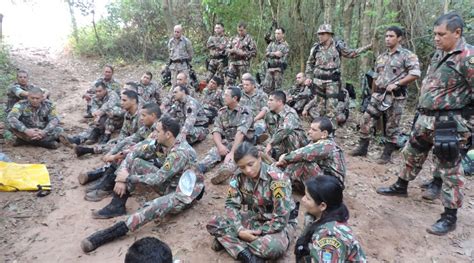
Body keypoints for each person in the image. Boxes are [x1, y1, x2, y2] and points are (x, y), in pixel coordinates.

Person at [376, 13, 473, 236]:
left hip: (450, 123)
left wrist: (468, 127)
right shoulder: (440, 53)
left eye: (441, 34)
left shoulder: (468, 58)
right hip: (425, 119)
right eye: (434, 34)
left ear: (457, 33)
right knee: (412, 153)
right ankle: (401, 186)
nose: (436, 38)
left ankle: (450, 215)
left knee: (450, 169)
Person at [81, 117, 205, 253]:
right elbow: (134, 152)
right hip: (170, 182)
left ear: (168, 134)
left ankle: (110, 233)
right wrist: (120, 179)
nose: (153, 133)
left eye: (157, 131)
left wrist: (128, 178)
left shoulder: (180, 153)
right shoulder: (163, 142)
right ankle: (117, 205)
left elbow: (158, 179)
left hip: (183, 194)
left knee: (153, 206)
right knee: (137, 163)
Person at [206, 142, 297, 263]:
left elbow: (281, 219)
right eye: (242, 167)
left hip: (277, 224)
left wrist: (256, 232)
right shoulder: (238, 177)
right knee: (214, 223)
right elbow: (231, 204)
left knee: (273, 248)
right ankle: (247, 254)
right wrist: (239, 230)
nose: (247, 170)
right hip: (255, 217)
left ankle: (229, 241)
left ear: (259, 158)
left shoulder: (278, 179)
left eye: (250, 164)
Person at [351, 26, 421, 164]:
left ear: (399, 38)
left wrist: (398, 84)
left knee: (392, 126)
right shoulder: (381, 57)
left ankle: (386, 154)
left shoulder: (407, 55)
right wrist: (372, 93)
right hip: (378, 95)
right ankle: (362, 148)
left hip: (395, 97)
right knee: (365, 120)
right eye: (386, 36)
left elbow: (415, 74)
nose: (387, 39)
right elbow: (376, 77)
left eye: (391, 36)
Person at [79, 103, 161, 189]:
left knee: (127, 155)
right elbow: (128, 139)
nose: (141, 118)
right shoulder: (146, 127)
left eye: (143, 115)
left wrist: (114, 156)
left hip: (157, 164)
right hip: (145, 154)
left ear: (153, 116)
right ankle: (105, 177)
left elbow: (139, 148)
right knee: (124, 148)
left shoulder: (158, 130)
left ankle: (110, 183)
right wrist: (111, 153)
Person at [303, 24, 371, 126]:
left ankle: (331, 132)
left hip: (332, 83)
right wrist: (308, 77)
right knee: (320, 108)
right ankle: (321, 131)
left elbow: (352, 53)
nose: (320, 36)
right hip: (318, 82)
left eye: (322, 34)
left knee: (331, 108)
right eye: (319, 34)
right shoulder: (316, 48)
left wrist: (368, 47)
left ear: (329, 35)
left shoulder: (338, 47)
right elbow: (309, 63)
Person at [294, 176, 366, 262]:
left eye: (308, 198)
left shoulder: (329, 237)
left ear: (322, 206)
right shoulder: (321, 215)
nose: (303, 199)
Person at [197, 87, 253, 185]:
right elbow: (216, 130)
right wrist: (220, 146)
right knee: (214, 152)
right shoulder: (222, 112)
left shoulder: (245, 112)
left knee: (235, 157)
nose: (223, 97)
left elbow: (240, 133)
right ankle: (200, 168)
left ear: (235, 98)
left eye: (226, 95)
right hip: (227, 142)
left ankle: (223, 172)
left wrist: (231, 153)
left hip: (242, 142)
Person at [276, 117, 346, 192]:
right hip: (326, 181)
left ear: (324, 134)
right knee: (298, 161)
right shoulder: (317, 141)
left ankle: (280, 189)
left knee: (304, 162)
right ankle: (283, 184)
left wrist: (285, 157)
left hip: (332, 188)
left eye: (314, 130)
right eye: (310, 128)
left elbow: (302, 154)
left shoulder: (327, 144)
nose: (309, 132)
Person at [73, 90, 140, 157]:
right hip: (128, 139)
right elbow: (124, 132)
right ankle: (90, 148)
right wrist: (120, 142)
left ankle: (90, 150)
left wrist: (121, 143)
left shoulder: (141, 116)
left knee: (123, 147)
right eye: (121, 100)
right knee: (112, 142)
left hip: (139, 143)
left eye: (124, 100)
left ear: (133, 101)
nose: (121, 103)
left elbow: (139, 137)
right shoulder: (128, 114)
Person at [263, 90, 308, 159]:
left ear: (280, 102)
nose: (268, 102)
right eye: (268, 100)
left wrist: (270, 143)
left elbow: (286, 130)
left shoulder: (290, 113)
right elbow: (267, 131)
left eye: (271, 100)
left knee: (289, 134)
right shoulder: (269, 114)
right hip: (278, 145)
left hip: (296, 145)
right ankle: (277, 155)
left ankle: (292, 157)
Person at [240, 77, 269, 144]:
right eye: (244, 85)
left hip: (256, 118)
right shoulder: (240, 94)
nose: (245, 86)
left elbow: (265, 110)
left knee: (260, 124)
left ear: (253, 85)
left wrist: (254, 119)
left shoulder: (262, 95)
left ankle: (256, 138)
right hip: (242, 118)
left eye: (247, 85)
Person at [262, 27, 289, 94]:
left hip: (278, 70)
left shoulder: (285, 45)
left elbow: (282, 58)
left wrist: (271, 54)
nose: (277, 35)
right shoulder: (272, 43)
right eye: (276, 33)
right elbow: (266, 54)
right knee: (266, 88)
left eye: (279, 33)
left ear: (283, 35)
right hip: (270, 69)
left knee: (277, 90)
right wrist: (274, 54)